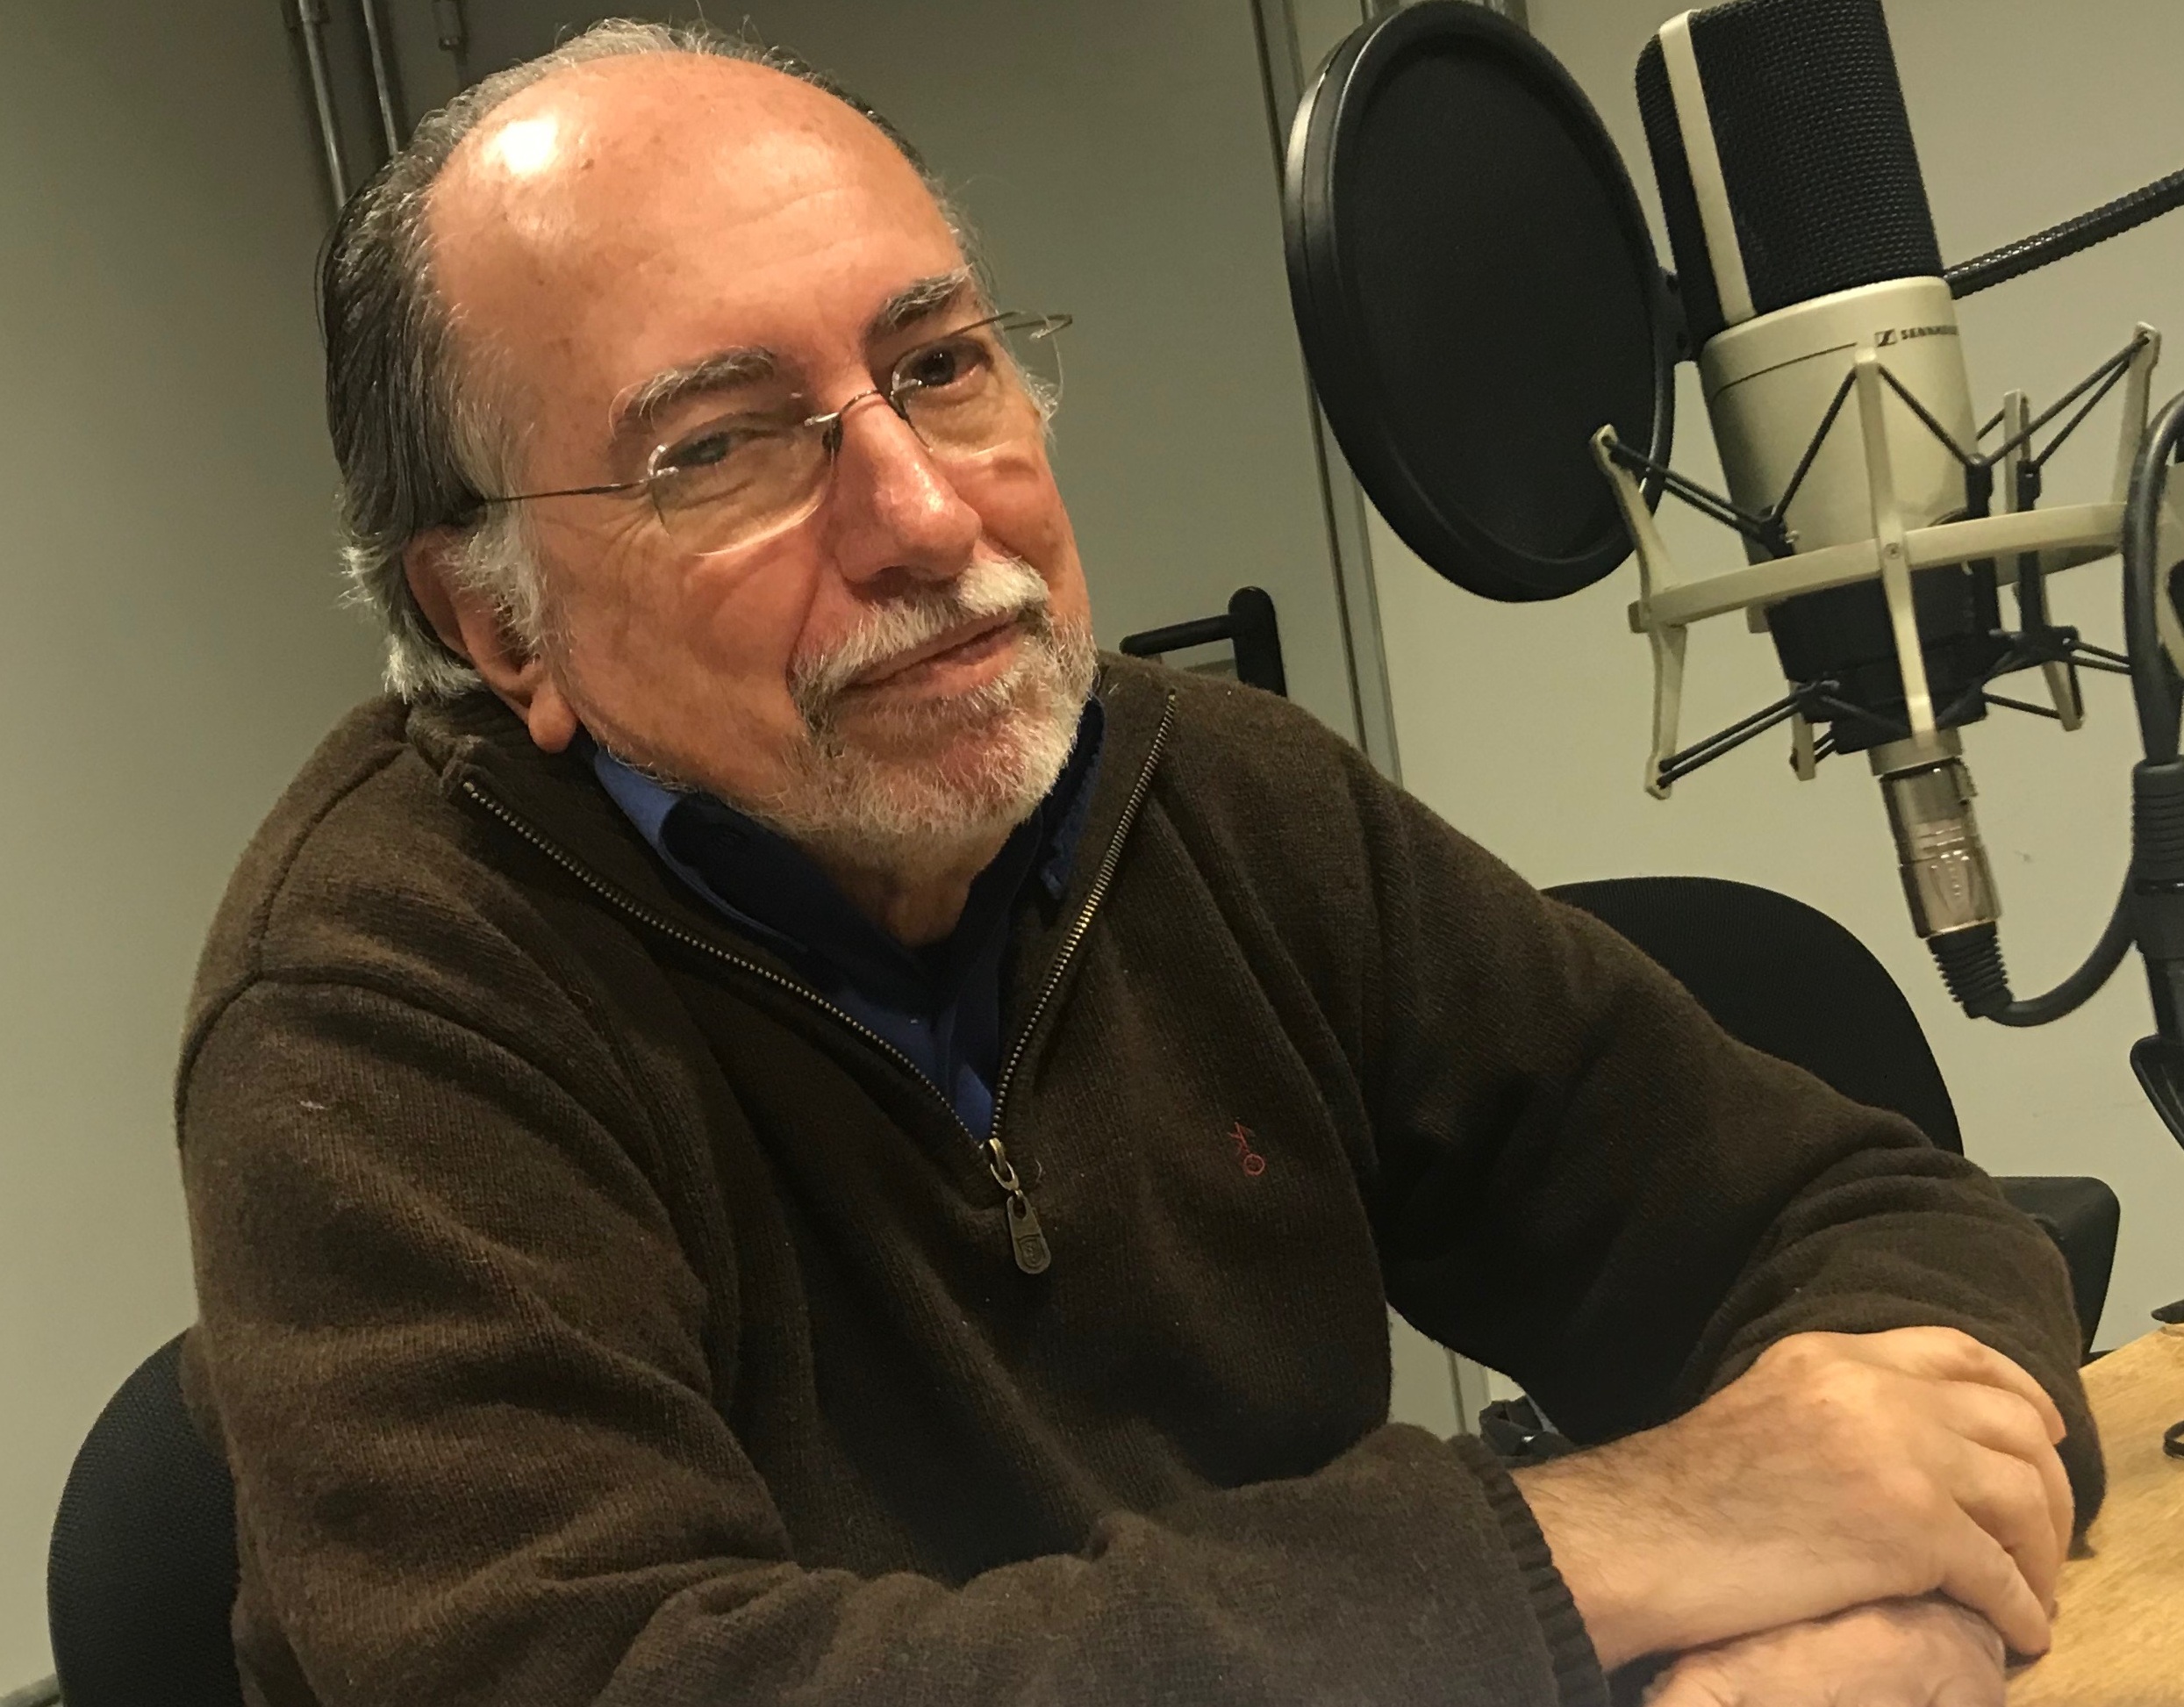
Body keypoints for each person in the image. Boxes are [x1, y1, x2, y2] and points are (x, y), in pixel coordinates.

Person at [177, 21, 2099, 1707]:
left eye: (941, 362)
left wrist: (1881, 1628)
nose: (926, 513)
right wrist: (1601, 1541)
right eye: (725, 446)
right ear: (494, 624)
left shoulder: (1222, 802)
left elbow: (1865, 1218)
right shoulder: (379, 1009)